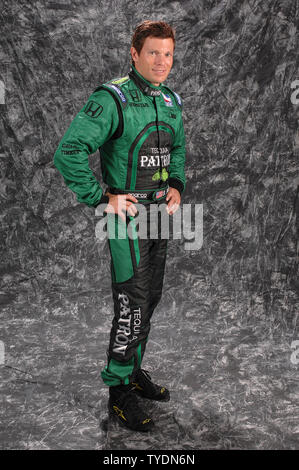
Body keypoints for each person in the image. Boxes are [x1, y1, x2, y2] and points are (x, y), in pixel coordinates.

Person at [53, 20, 186, 432]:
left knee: (151, 298)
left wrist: (177, 184)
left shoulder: (170, 100)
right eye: (153, 52)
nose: (162, 61)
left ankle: (133, 372)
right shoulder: (112, 98)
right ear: (134, 53)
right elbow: (68, 151)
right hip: (127, 218)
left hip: (158, 217)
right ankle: (118, 392)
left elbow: (177, 148)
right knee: (132, 304)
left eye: (167, 53)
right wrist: (101, 197)